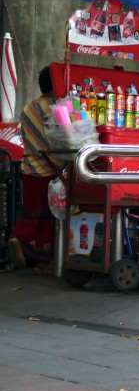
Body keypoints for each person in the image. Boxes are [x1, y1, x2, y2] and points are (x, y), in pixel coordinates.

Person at [8, 67, 65, 271]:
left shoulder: (28, 108)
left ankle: (21, 243)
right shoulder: (58, 108)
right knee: (50, 218)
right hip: (51, 173)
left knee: (32, 214)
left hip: (29, 170)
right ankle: (43, 261)